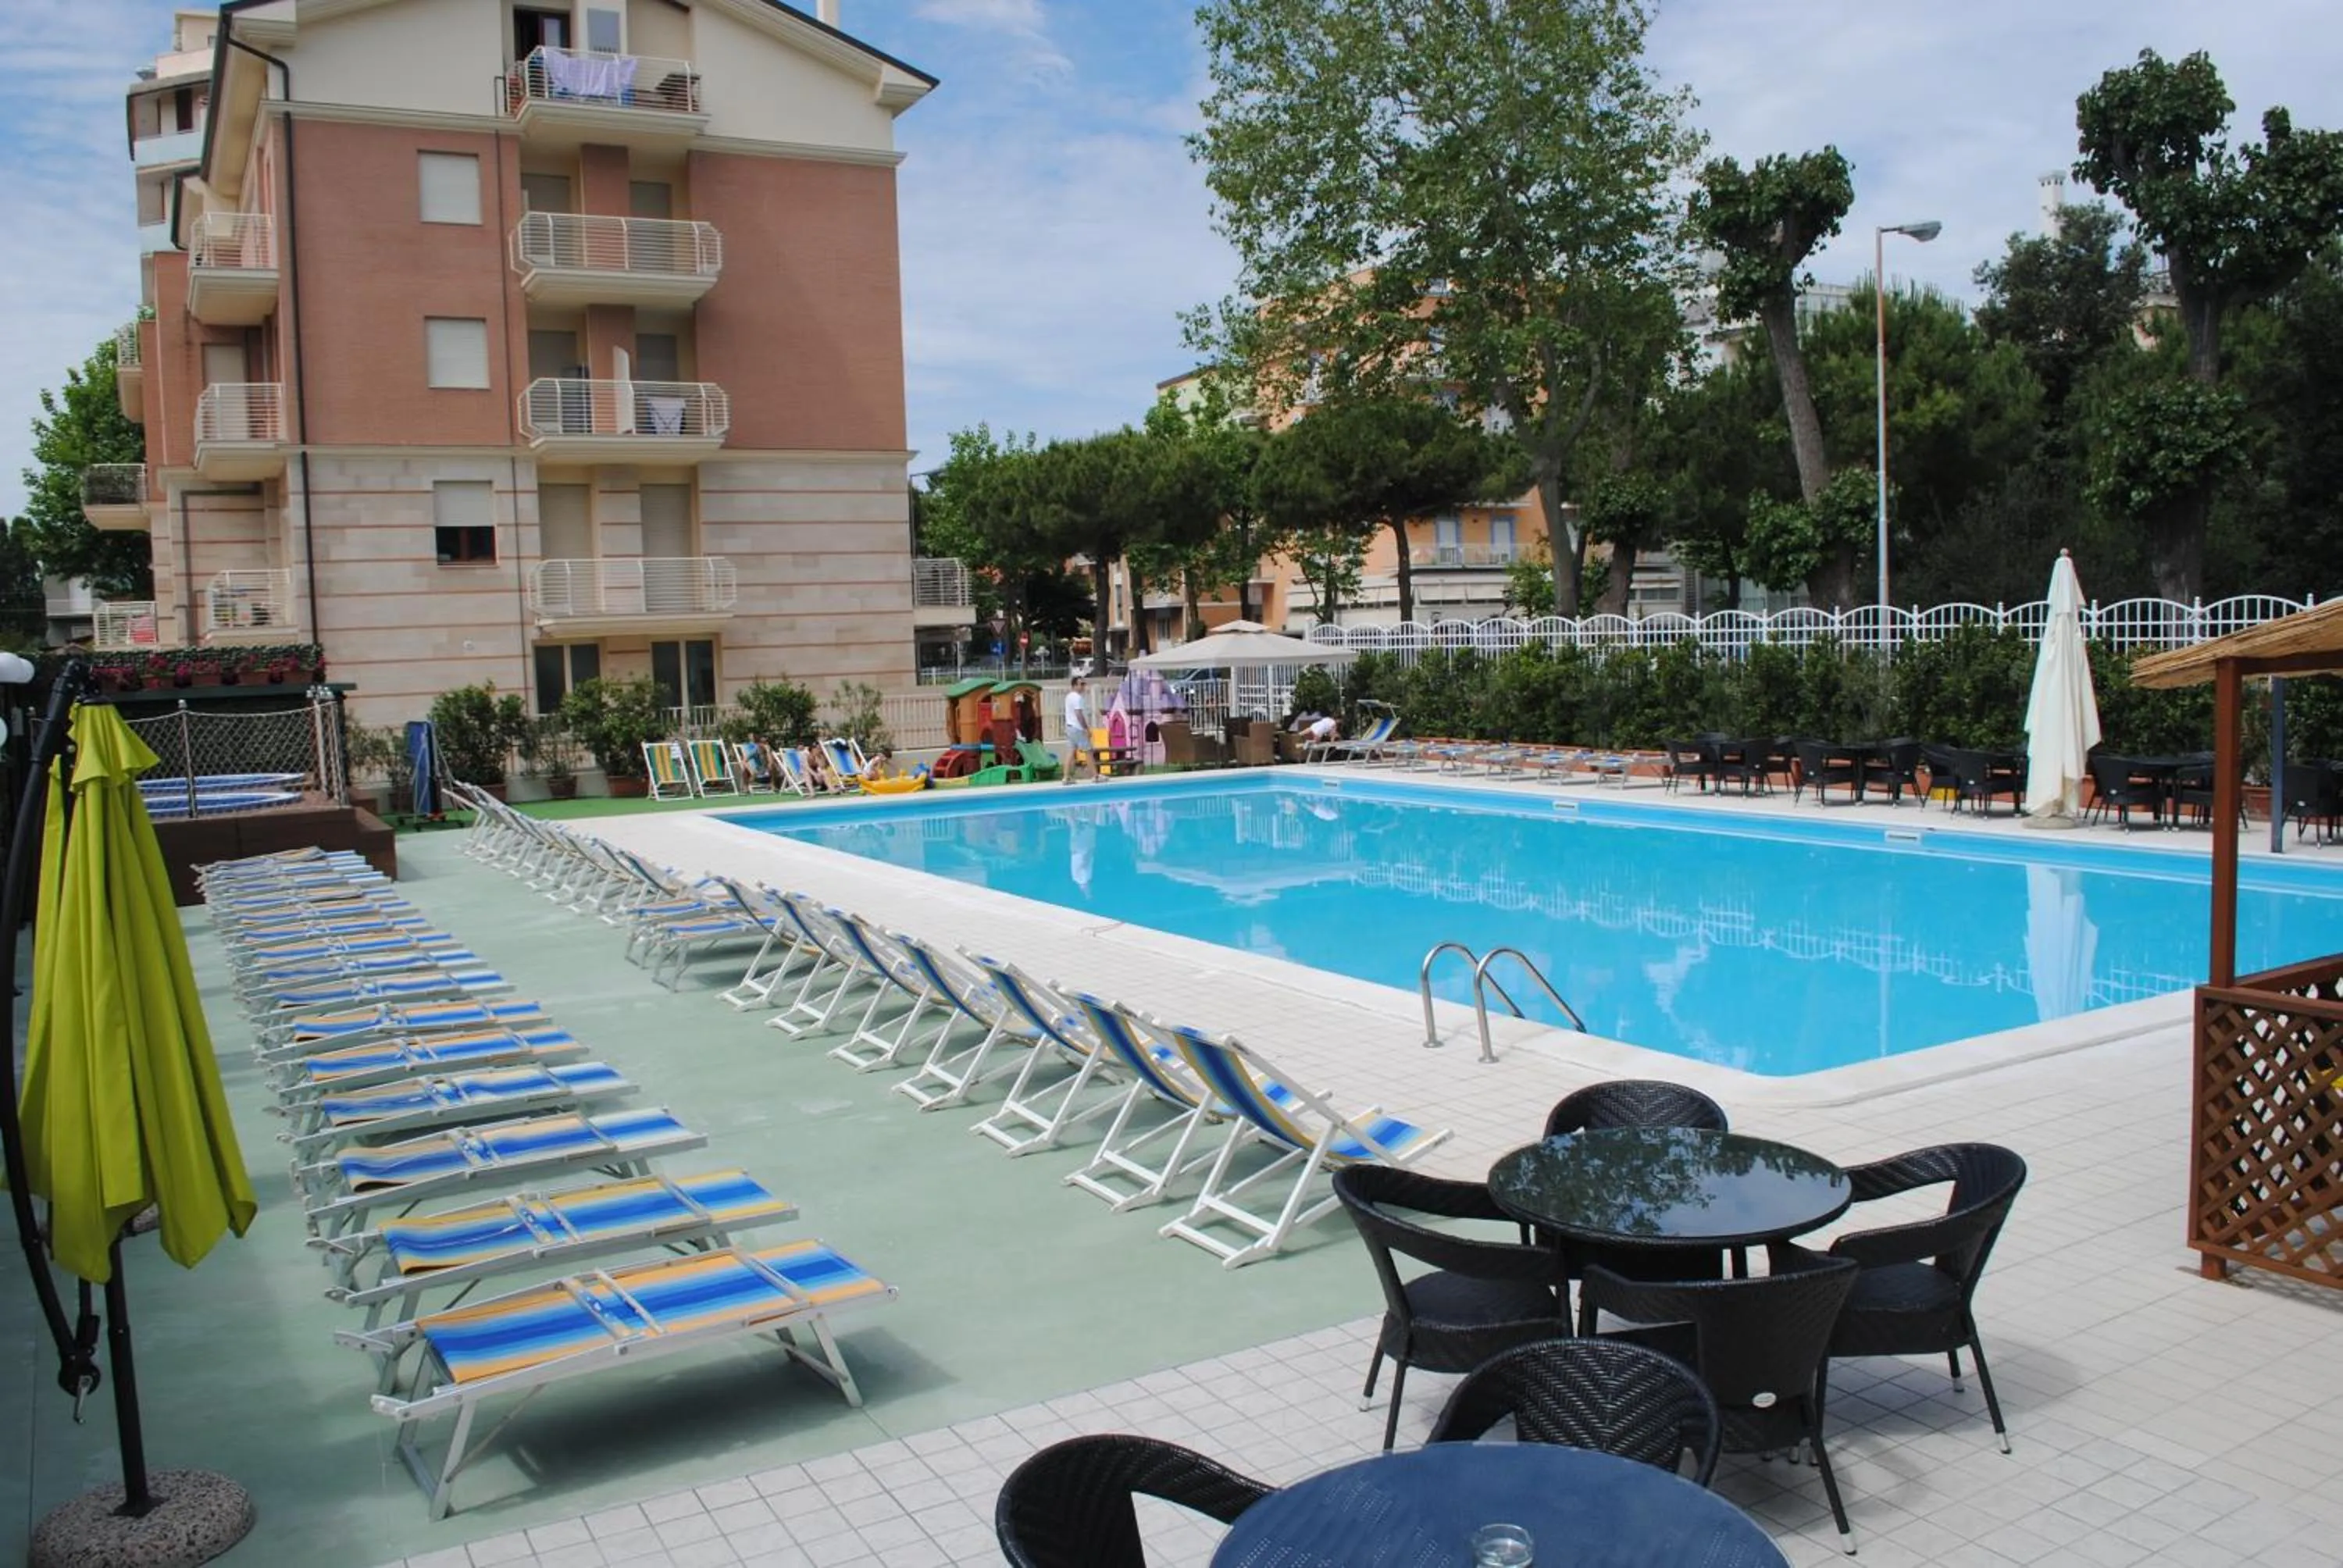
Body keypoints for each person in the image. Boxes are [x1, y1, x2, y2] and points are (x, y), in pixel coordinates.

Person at [1061, 677, 1091, 785]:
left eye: (1084, 684)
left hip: (1070, 727)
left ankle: (1066, 777)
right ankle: (1096, 776)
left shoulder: (1069, 697)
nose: (1083, 686)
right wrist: (1086, 729)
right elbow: (1079, 714)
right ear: (1074, 686)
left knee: (1070, 753)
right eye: (1081, 684)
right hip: (1078, 728)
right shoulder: (1077, 698)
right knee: (1089, 751)